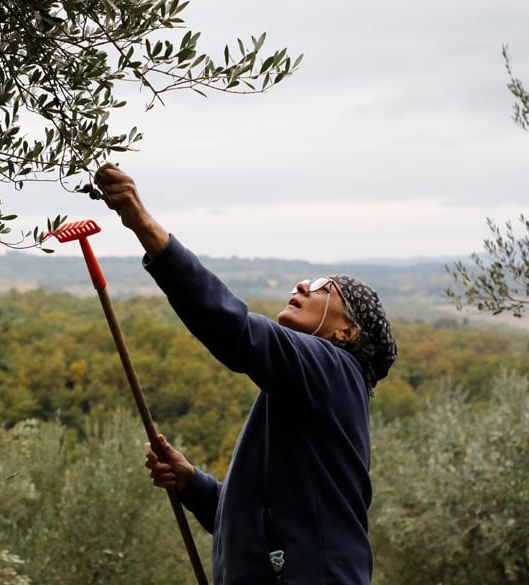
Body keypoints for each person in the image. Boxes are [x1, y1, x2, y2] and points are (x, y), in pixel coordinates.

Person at [93, 163, 398, 585]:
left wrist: (145, 226)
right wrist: (194, 485)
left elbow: (233, 328)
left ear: (347, 331)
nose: (305, 286)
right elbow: (264, 529)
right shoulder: (302, 386)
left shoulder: (334, 369)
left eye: (325, 288)